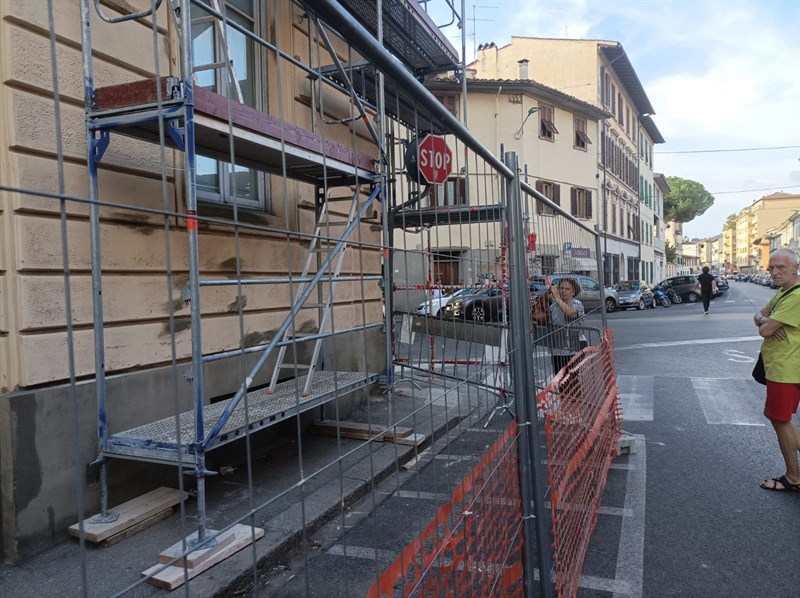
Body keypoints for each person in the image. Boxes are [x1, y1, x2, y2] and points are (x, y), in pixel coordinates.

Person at [753, 248, 800, 492]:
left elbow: (764, 329)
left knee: (781, 420)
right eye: (772, 268)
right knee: (775, 416)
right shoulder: (784, 292)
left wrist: (766, 323)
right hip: (780, 367)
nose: (774, 272)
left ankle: (793, 478)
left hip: (787, 368)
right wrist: (765, 319)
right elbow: (759, 316)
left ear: (795, 267)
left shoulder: (796, 296)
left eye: (781, 267)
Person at [548, 278, 585, 373]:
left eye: (567, 289)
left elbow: (571, 314)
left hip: (574, 348)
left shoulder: (577, 304)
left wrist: (557, 298)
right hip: (558, 348)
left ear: (573, 292)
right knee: (559, 379)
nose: (563, 291)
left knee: (573, 381)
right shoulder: (553, 306)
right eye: (561, 288)